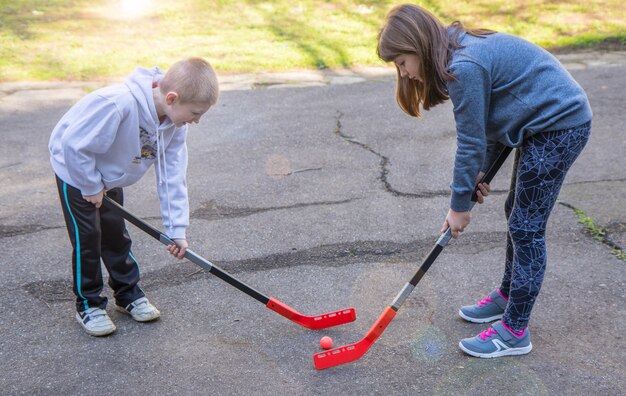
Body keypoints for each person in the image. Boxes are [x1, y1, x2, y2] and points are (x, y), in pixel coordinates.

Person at [377, 4, 591, 357]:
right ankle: (508, 295)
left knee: (527, 227)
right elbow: (494, 119)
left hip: (560, 124)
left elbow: (471, 140)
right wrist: (480, 172)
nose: (404, 73)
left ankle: (513, 332)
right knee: (518, 213)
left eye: (402, 62)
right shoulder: (455, 49)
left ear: (418, 45)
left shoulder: (462, 67)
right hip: (538, 123)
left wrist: (458, 206)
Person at [49, 57, 220, 336]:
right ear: (172, 98)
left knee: (115, 233)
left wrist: (176, 229)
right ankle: (89, 304)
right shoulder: (117, 104)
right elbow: (73, 145)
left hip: (110, 173)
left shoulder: (175, 126)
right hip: (75, 170)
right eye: (196, 112)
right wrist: (90, 185)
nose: (197, 121)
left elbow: (172, 176)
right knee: (88, 237)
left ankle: (128, 293)